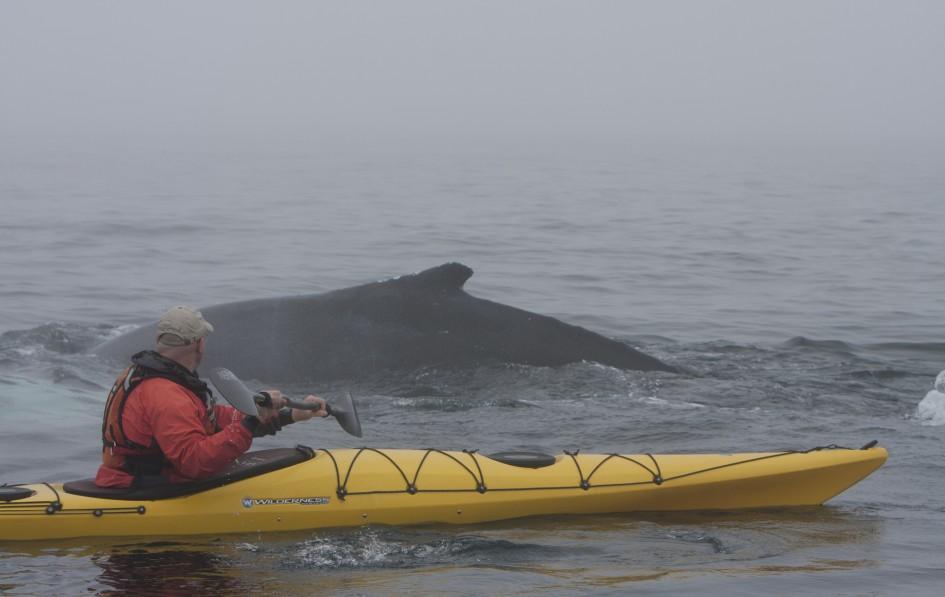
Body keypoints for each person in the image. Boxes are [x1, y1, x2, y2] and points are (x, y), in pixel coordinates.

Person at [95, 305, 325, 488]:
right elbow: (195, 463)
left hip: (138, 480)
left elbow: (213, 419)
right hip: (144, 490)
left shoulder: (150, 376)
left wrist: (289, 414)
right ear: (199, 343)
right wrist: (251, 422)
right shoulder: (166, 394)